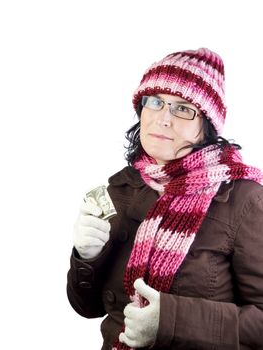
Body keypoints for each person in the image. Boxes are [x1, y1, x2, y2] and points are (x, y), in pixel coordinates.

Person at [66, 48, 263, 349]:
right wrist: (87, 257)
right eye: (155, 102)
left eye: (183, 108)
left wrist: (169, 320)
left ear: (207, 126)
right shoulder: (123, 187)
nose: (163, 119)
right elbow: (88, 308)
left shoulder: (246, 200)